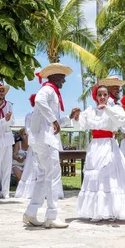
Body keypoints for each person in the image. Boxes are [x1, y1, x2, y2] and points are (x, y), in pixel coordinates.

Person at [72, 85, 125, 222]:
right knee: (95, 176)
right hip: (95, 146)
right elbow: (81, 125)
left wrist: (107, 109)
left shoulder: (115, 109)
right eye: (100, 95)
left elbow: (122, 121)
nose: (102, 97)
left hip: (108, 144)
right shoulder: (90, 111)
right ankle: (97, 211)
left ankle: (111, 210)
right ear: (96, 97)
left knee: (109, 176)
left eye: (105, 95)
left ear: (108, 96)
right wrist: (75, 118)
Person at [23, 63, 78, 228]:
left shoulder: (53, 91)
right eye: (62, 77)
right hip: (46, 141)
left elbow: (55, 122)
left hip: (42, 140)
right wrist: (53, 120)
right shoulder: (48, 89)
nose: (64, 81)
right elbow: (39, 101)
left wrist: (68, 117)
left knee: (41, 177)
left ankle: (31, 212)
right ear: (54, 76)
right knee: (53, 177)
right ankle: (52, 216)